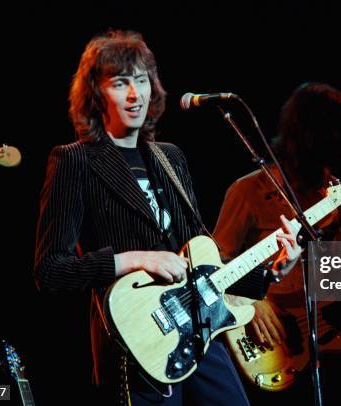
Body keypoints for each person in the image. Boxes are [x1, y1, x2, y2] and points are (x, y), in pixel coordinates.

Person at [34, 29, 301, 406]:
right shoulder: (74, 161)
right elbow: (50, 271)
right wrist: (135, 260)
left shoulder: (170, 157)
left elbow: (204, 258)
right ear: (96, 94)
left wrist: (272, 269)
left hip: (199, 330)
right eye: (120, 83)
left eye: (141, 81)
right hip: (140, 341)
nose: (134, 95)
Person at [213, 82, 341, 403]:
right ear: (312, 134)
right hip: (270, 341)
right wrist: (253, 302)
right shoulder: (247, 192)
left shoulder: (337, 195)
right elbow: (215, 266)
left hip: (323, 340)